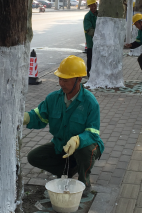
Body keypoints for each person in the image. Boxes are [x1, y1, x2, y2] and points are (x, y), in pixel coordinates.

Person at [23, 56, 104, 197]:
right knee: (34, 157)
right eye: (60, 79)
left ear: (79, 79)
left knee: (86, 151)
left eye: (66, 80)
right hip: (60, 145)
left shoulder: (90, 102)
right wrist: (26, 118)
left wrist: (77, 140)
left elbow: (93, 133)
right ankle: (66, 171)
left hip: (83, 146)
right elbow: (39, 116)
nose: (61, 83)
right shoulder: (53, 98)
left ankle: (84, 182)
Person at [83, 0, 98, 81]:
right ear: (89, 6)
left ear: (96, 4)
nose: (93, 7)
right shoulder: (87, 16)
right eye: (91, 6)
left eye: (94, 5)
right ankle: (89, 75)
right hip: (91, 43)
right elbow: (89, 29)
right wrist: (98, 35)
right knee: (90, 59)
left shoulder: (99, 14)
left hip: (99, 43)